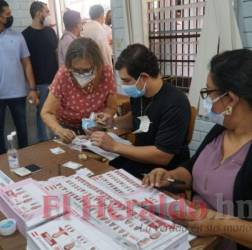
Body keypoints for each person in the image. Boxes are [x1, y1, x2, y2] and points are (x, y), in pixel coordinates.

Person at [144, 49, 252, 250]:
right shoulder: (220, 130)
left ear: (231, 99)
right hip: (188, 234)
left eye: (209, 93)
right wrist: (169, 176)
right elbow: (191, 169)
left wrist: (216, 225)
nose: (206, 100)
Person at [90, 44, 191, 178]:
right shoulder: (140, 94)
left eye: (126, 80)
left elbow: (163, 156)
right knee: (95, 169)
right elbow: (137, 119)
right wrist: (113, 122)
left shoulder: (176, 102)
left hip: (162, 171)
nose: (124, 86)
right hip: (138, 158)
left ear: (143, 77)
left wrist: (114, 146)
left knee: (109, 178)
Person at [0, 0, 38, 155]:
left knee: (22, 130)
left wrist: (32, 88)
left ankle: (26, 157)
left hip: (18, 93)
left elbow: (27, 63)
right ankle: (1, 163)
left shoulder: (17, 36)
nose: (11, 17)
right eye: (8, 14)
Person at [41, 37, 117, 144]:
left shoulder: (106, 73)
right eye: (76, 70)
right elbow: (46, 112)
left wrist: (102, 118)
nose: (81, 74)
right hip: (67, 129)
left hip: (95, 129)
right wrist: (60, 130)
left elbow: (111, 107)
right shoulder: (64, 74)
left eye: (86, 70)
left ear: (97, 65)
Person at [22, 1, 58, 142]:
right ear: (38, 13)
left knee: (57, 114)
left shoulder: (50, 31)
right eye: (46, 11)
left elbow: (56, 54)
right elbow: (25, 63)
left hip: (55, 81)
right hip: (39, 84)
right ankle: (44, 145)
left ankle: (59, 143)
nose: (48, 14)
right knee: (42, 115)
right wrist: (31, 87)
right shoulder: (25, 35)